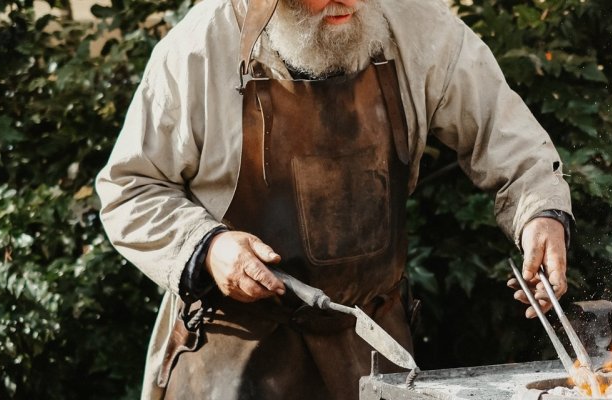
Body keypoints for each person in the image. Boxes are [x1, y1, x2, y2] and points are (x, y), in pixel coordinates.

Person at [95, 0, 573, 397]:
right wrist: (210, 247)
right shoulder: (199, 47)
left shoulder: (415, 27)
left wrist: (540, 213)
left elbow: (509, 139)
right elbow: (130, 189)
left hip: (370, 355)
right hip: (234, 358)